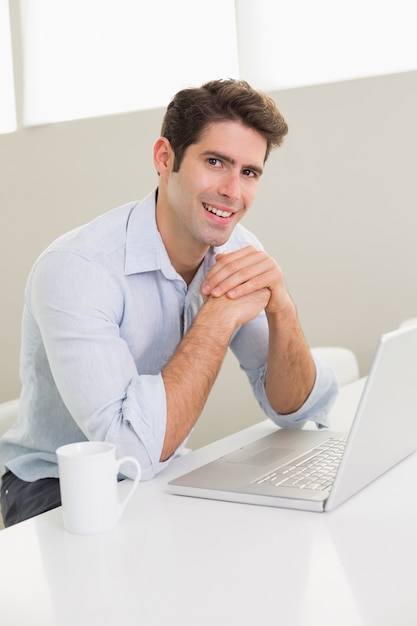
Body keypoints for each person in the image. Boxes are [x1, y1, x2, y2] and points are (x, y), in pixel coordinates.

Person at [0, 79, 338, 527]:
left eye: (249, 172)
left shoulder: (236, 249)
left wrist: (282, 310)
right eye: (215, 162)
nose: (233, 192)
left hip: (161, 464)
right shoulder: (77, 268)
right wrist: (217, 315)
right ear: (165, 158)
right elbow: (131, 452)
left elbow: (297, 412)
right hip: (54, 484)